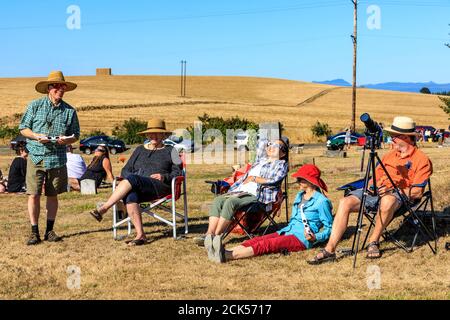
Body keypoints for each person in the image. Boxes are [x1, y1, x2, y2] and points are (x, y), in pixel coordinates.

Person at [308, 116, 433, 264]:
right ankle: (330, 249)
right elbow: (375, 177)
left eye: (394, 136)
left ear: (405, 137)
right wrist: (373, 186)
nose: (391, 139)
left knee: (387, 200)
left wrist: (392, 191)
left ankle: (373, 242)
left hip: (399, 196)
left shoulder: (422, 159)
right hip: (378, 191)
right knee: (345, 202)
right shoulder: (389, 156)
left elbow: (417, 192)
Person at [208, 164, 334, 263]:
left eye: (301, 179)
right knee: (259, 239)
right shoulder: (300, 195)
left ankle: (229, 255)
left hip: (301, 238)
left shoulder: (321, 201)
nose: (297, 180)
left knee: (268, 245)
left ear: (311, 181)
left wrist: (315, 237)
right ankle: (225, 250)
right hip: (288, 230)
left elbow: (329, 229)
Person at [88, 119, 182, 246]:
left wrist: (163, 176)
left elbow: (178, 173)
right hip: (137, 185)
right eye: (151, 133)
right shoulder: (139, 150)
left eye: (157, 133)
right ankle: (140, 235)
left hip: (159, 186)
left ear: (164, 135)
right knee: (131, 194)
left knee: (133, 179)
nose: (153, 136)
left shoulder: (172, 151)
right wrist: (130, 179)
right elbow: (125, 169)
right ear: (147, 135)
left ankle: (104, 208)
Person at [19, 71, 80, 245]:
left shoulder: (69, 111)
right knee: (34, 194)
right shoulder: (35, 106)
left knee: (52, 195)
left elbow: (76, 135)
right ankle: (34, 232)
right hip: (36, 156)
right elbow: (23, 128)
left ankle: (49, 231)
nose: (60, 90)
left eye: (63, 87)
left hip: (57, 158)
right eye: (56, 86)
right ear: (49, 88)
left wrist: (66, 139)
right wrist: (37, 136)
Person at [199, 138, 289, 255]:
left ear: (283, 153)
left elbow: (274, 180)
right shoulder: (260, 160)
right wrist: (270, 142)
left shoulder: (281, 165)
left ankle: (216, 236)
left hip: (258, 196)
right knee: (218, 200)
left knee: (231, 202)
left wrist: (255, 179)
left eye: (276, 146)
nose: (271, 147)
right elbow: (261, 142)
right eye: (270, 145)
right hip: (240, 191)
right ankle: (208, 235)